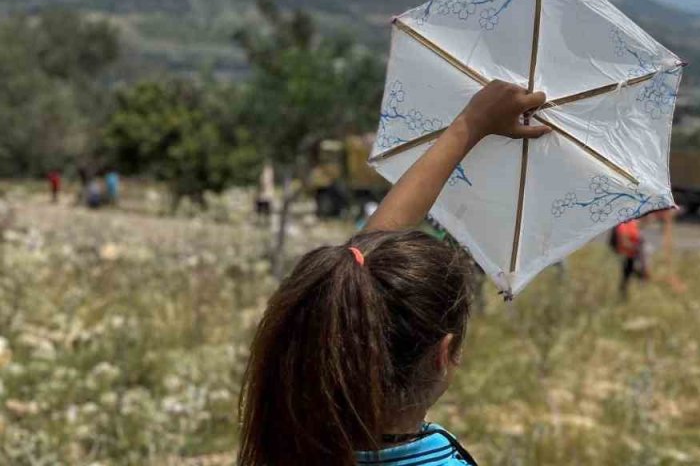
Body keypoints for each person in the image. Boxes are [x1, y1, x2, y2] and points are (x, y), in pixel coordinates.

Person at [238, 80, 549, 466]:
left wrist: (471, 123)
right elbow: (359, 271)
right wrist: (471, 124)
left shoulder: (299, 439)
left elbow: (361, 267)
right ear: (444, 354)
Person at [610, 218, 645, 300]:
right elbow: (623, 241)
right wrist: (635, 248)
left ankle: (624, 295)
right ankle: (622, 296)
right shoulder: (622, 225)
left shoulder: (633, 223)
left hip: (632, 255)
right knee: (625, 276)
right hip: (624, 254)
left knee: (628, 276)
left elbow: (638, 235)